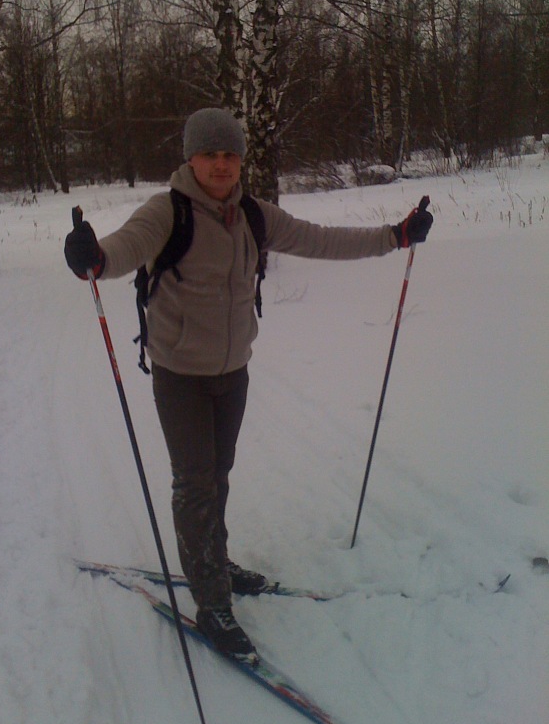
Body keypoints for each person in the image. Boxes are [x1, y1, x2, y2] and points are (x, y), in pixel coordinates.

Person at [64, 107, 433, 663]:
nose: (221, 164)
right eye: (209, 154)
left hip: (232, 372)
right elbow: (123, 250)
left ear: (240, 160)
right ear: (191, 159)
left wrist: (394, 236)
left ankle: (215, 561)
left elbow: (321, 240)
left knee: (218, 475)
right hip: (180, 376)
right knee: (195, 484)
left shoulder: (254, 215)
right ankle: (212, 604)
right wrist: (92, 258)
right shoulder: (167, 212)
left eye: (230, 154)